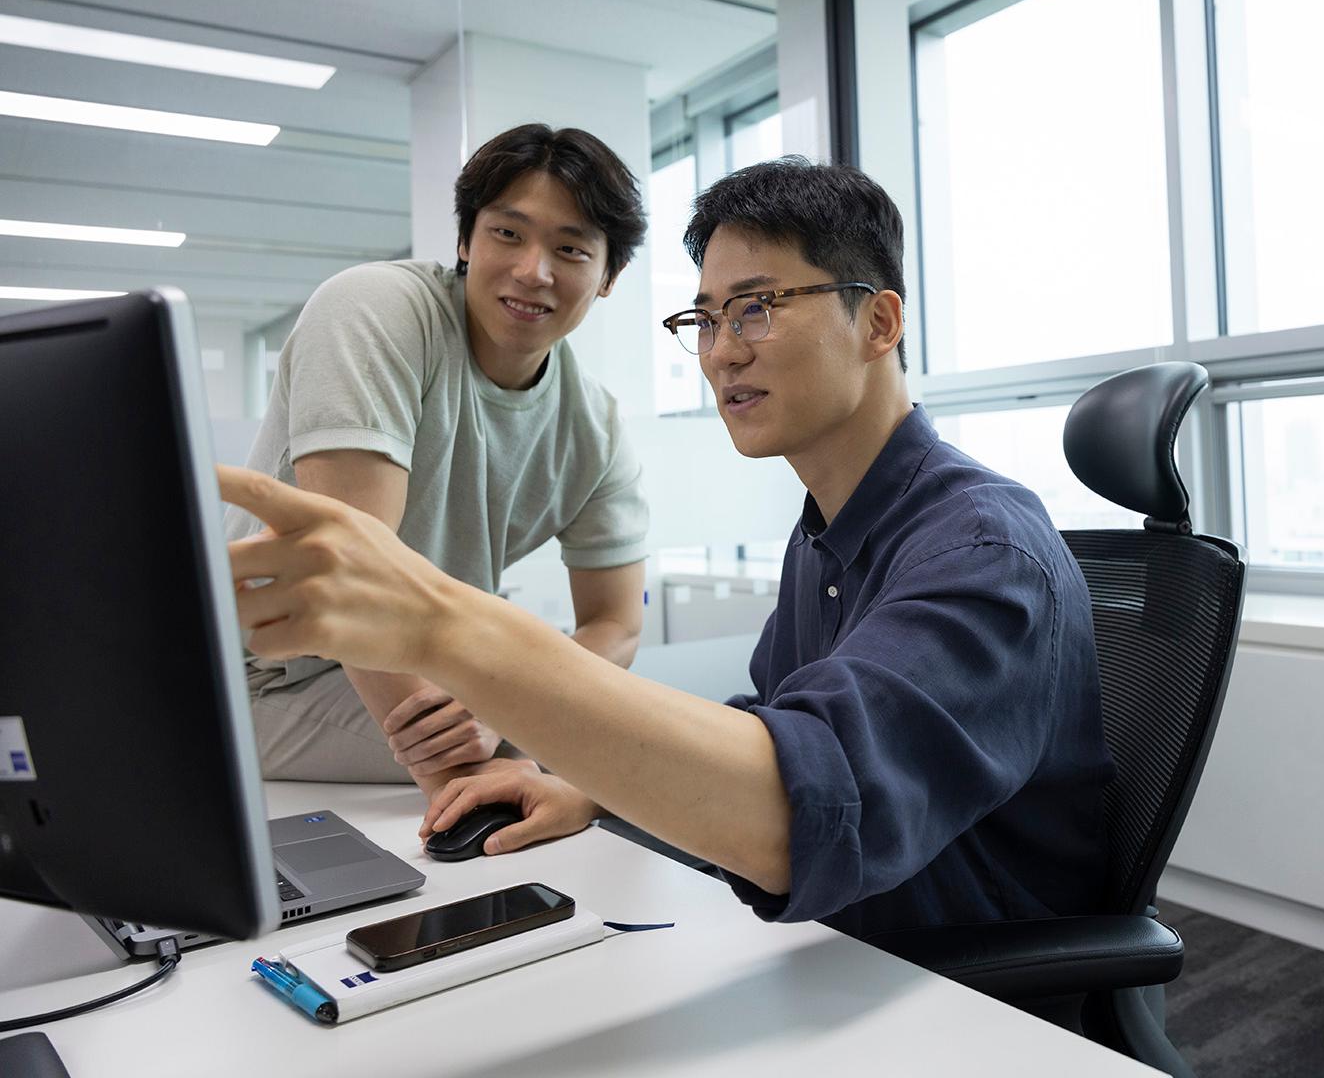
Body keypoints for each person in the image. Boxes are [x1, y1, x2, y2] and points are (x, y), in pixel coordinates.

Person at [220, 158, 1112, 938]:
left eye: (757, 309)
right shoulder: (830, 537)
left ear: (879, 325)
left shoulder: (982, 550)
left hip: (948, 993)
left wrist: (451, 632)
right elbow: (771, 728)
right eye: (707, 320)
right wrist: (592, 791)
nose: (722, 353)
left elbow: (793, 813)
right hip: (825, 953)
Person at [228, 124, 650, 793]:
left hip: (416, 660)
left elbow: (616, 622)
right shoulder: (375, 311)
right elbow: (348, 566)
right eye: (507, 234)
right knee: (540, 760)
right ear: (465, 240)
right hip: (258, 678)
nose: (533, 271)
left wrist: (506, 699)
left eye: (570, 249)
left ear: (608, 276)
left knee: (615, 733)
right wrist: (487, 726)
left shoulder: (592, 425)